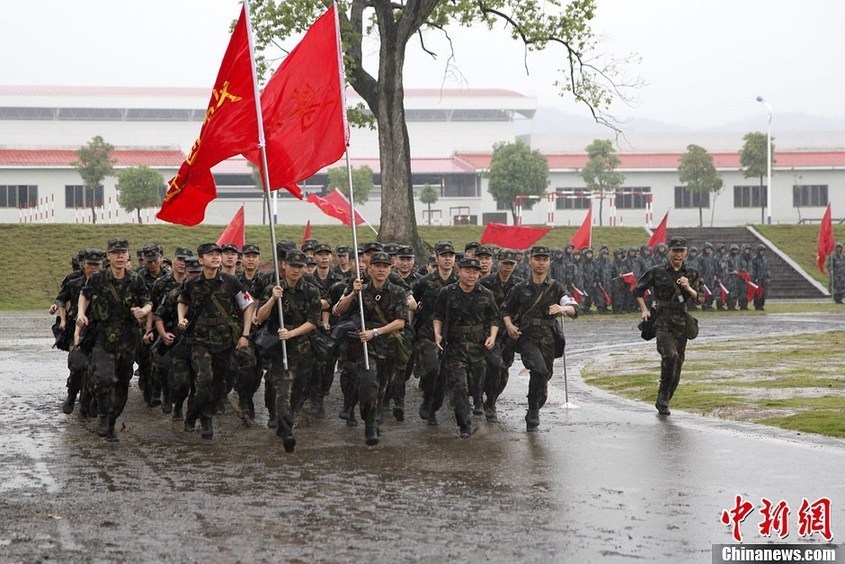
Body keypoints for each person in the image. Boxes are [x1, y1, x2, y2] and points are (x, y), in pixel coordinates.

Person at [75, 238, 152, 441]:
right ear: (108, 256)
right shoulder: (98, 278)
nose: (119, 256)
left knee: (122, 384)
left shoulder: (136, 280)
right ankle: (102, 414)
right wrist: (81, 313)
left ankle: (110, 422)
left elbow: (148, 302)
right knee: (104, 378)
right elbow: (84, 295)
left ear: (128, 256)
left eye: (123, 252)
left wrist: (142, 311)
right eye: (115, 253)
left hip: (128, 339)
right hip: (102, 336)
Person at [177, 243, 256, 440]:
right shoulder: (192, 283)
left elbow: (248, 305)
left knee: (219, 384)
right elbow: (182, 300)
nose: (215, 257)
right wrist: (181, 318)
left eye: (217, 254)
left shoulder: (231, 282)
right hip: (200, 340)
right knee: (204, 379)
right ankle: (206, 419)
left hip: (224, 341)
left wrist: (245, 334)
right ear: (201, 260)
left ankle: (193, 414)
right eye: (210, 255)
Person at [334, 251, 409, 445]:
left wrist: (375, 331)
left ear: (390, 269)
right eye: (377, 266)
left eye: (385, 266)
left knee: (382, 388)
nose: (381, 270)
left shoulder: (398, 292)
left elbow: (400, 322)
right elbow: (338, 311)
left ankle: (374, 420)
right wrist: (352, 293)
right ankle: (369, 425)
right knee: (368, 384)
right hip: (366, 349)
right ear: (369, 268)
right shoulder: (361, 290)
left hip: (389, 347)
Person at [502, 246, 577, 432]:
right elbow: (505, 309)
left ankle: (536, 401)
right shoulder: (520, 288)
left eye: (544, 259)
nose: (541, 263)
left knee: (544, 375)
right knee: (539, 369)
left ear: (549, 262)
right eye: (537, 259)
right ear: (530, 260)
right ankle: (533, 410)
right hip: (527, 337)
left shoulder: (556, 288)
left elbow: (574, 308)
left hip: (548, 338)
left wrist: (563, 309)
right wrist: (510, 325)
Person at [253, 250, 320, 452]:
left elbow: (313, 322)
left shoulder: (311, 290)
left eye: (300, 267)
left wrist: (291, 334)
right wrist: (273, 299)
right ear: (285, 266)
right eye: (293, 266)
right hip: (278, 349)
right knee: (283, 389)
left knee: (299, 390)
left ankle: (287, 419)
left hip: (302, 348)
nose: (296, 270)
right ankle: (287, 431)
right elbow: (259, 317)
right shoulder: (273, 289)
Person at [634, 237, 703, 416]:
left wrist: (688, 288)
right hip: (662, 321)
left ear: (686, 252)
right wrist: (644, 309)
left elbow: (701, 298)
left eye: (681, 251)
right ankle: (663, 396)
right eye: (675, 251)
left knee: (677, 365)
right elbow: (638, 290)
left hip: (681, 322)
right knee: (670, 356)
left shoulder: (692, 273)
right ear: (668, 252)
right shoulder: (657, 272)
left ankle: (665, 398)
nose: (678, 254)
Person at [433, 257, 499, 438]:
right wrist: (437, 334)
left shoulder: (486, 294)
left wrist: (492, 337)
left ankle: (478, 400)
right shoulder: (447, 292)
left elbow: (494, 318)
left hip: (478, 347)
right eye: (468, 271)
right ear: (459, 271)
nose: (471, 275)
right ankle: (464, 426)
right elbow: (437, 316)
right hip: (454, 345)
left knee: (475, 385)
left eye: (475, 272)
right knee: (459, 386)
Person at [479, 249, 522, 421]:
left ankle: (492, 399)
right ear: (498, 263)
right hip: (490, 332)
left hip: (509, 335)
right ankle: (488, 402)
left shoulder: (519, 285)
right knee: (494, 365)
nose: (507, 267)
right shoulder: (485, 283)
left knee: (504, 369)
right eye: (505, 263)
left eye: (511, 264)